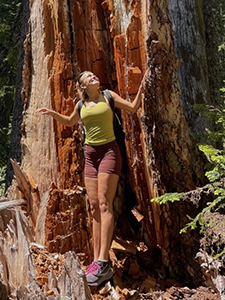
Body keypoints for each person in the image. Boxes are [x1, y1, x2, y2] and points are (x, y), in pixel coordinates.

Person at [37, 71, 144, 286]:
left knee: (105, 204)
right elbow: (69, 121)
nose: (93, 76)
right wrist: (51, 113)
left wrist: (144, 83)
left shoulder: (108, 96)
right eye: (87, 76)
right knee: (94, 207)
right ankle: (96, 262)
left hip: (109, 153)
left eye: (94, 75)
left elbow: (132, 108)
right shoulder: (80, 105)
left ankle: (104, 261)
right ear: (82, 86)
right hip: (90, 155)